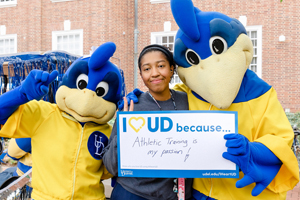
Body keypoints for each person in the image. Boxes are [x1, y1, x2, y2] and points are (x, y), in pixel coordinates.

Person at [103, 44, 193, 200]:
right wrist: (124, 128)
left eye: (161, 66)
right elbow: (111, 165)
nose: (155, 73)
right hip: (133, 193)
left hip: (175, 194)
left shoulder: (188, 101)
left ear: (172, 68)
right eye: (147, 69)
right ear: (141, 74)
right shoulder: (132, 106)